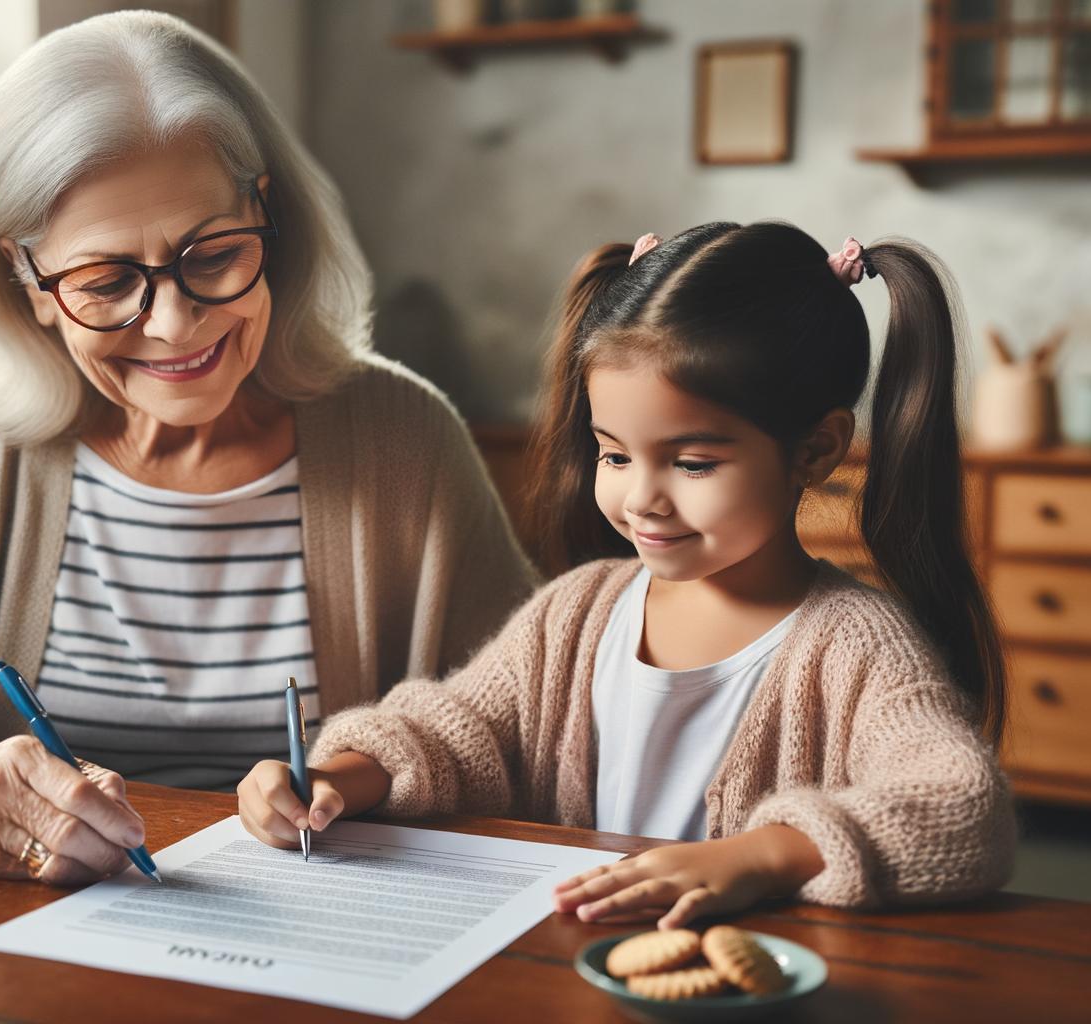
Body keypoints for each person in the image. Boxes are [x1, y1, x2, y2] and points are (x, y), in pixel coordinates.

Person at [0, 11, 535, 888]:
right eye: (106, 283)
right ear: (29, 286)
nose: (175, 324)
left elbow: (528, 722)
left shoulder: (402, 439)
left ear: (268, 213)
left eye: (214, 255)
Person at [238, 222, 1015, 925]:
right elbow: (458, 728)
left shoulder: (857, 647)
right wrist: (343, 775)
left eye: (693, 461)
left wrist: (756, 856)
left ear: (815, 450)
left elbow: (961, 809)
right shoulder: (576, 611)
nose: (640, 496)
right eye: (613, 453)